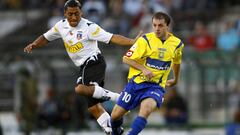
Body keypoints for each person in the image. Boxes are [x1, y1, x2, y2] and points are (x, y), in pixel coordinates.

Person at [23, 0, 140, 134]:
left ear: (81, 13)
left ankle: (120, 98)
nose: (73, 17)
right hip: (84, 66)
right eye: (70, 14)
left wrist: (131, 41)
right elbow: (46, 37)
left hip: (94, 62)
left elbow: (112, 37)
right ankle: (113, 130)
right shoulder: (60, 26)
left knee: (80, 89)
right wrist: (34, 44)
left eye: (76, 14)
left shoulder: (89, 27)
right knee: (93, 107)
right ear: (65, 13)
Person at [110, 12, 184, 135]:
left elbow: (177, 62)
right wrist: (143, 69)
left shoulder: (177, 44)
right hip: (136, 83)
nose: (157, 29)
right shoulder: (144, 40)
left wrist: (176, 79)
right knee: (115, 116)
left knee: (146, 109)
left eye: (160, 25)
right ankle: (115, 132)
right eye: (154, 25)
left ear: (167, 26)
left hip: (156, 86)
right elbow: (126, 59)